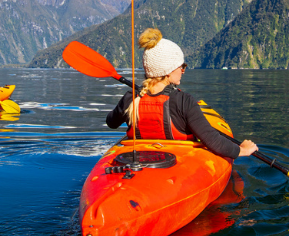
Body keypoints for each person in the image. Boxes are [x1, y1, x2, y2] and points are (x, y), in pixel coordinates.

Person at [106, 28, 258, 159]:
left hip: (136, 160)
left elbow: (111, 123)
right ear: (168, 71)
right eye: (181, 66)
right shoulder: (184, 102)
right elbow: (214, 142)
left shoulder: (130, 99)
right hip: (177, 166)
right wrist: (242, 150)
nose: (183, 70)